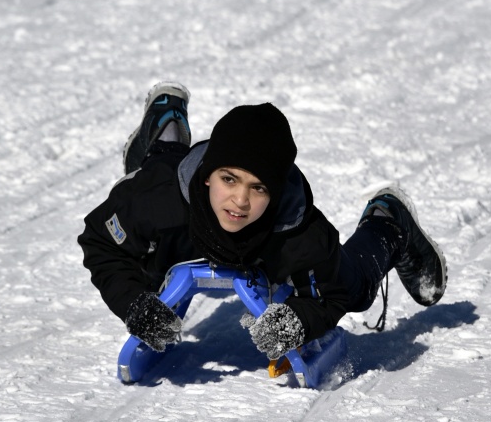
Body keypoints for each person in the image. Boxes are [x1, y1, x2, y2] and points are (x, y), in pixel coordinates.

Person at [78, 82, 447, 361]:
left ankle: (388, 221)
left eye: (258, 188)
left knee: (356, 289)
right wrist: (132, 303)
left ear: (275, 191)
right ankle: (165, 126)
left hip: (262, 245)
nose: (240, 200)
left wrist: (300, 319)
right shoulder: (155, 201)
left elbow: (331, 296)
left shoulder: (299, 232)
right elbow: (101, 242)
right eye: (229, 179)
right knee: (149, 242)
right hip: (175, 194)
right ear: (209, 174)